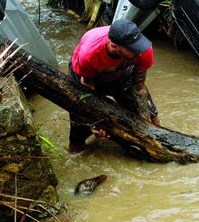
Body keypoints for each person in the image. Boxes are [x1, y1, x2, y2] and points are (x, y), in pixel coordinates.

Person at [68, 19, 160, 153]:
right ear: (114, 45)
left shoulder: (143, 49)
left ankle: (159, 142)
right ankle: (76, 153)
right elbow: (88, 86)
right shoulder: (89, 54)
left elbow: (139, 86)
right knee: (80, 127)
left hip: (122, 76)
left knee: (152, 115)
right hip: (87, 79)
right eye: (134, 49)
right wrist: (96, 122)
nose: (139, 53)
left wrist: (145, 124)